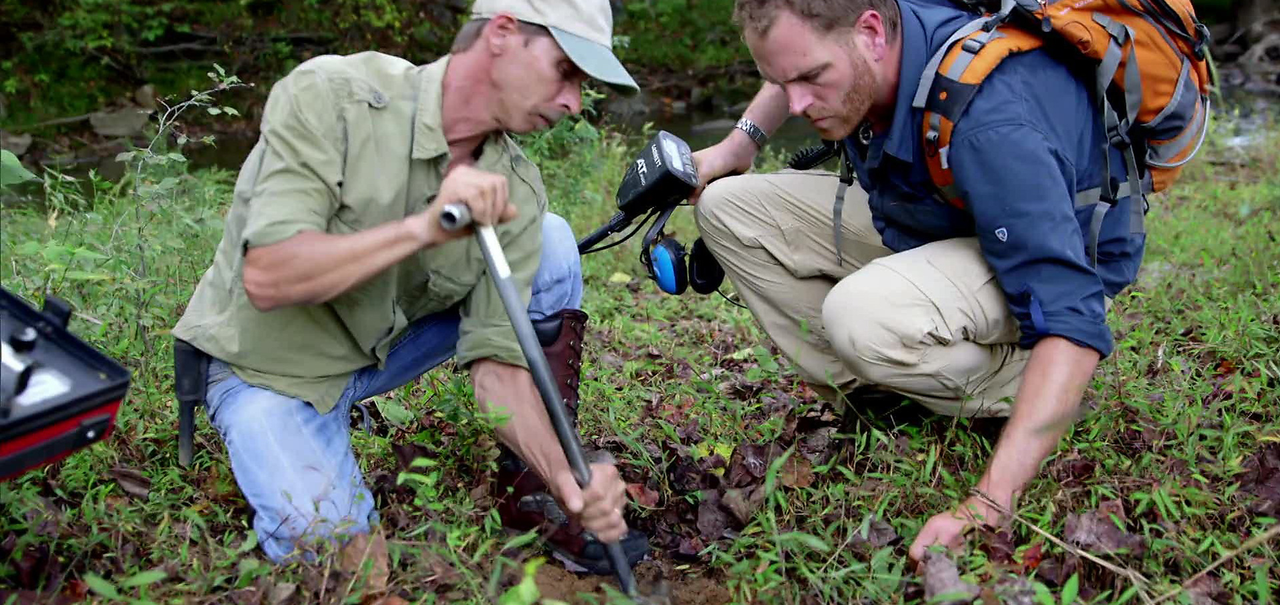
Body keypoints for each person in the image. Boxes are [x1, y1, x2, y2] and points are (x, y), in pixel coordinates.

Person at [171, 0, 650, 573]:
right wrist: (427, 227)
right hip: (269, 370)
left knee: (550, 242)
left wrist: (567, 478)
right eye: (566, 72)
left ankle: (534, 498)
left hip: (379, 351)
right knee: (340, 561)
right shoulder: (334, 95)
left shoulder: (513, 182)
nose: (574, 102)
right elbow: (270, 276)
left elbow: (498, 366)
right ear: (502, 34)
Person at [691, 0, 1149, 560]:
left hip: (1055, 249)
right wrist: (741, 143)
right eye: (779, 82)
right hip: (937, 207)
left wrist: (990, 501)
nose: (798, 104)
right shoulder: (869, 29)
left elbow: (1073, 312)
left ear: (871, 32)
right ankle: (885, 398)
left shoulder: (992, 120)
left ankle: (1023, 390)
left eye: (812, 78)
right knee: (727, 208)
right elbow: (796, 56)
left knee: (861, 316)